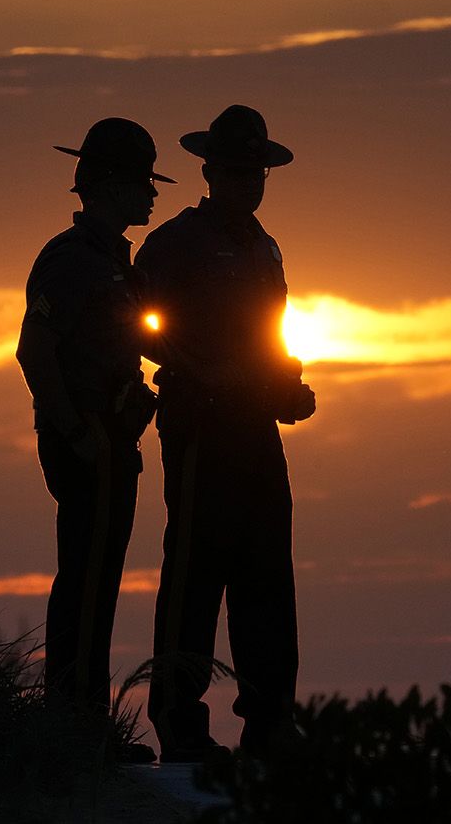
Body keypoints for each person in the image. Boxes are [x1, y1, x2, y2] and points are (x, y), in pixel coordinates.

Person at [135, 104, 315, 762]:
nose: (249, 181)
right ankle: (180, 721)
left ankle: (271, 721)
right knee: (193, 572)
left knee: (267, 573)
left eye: (257, 171)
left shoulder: (265, 248)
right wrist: (192, 367)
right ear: (211, 172)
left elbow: (273, 336)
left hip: (255, 428)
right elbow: (136, 319)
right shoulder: (175, 243)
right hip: (199, 426)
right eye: (238, 170)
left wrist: (288, 384)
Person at [16, 117, 171, 763]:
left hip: (109, 441)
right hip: (90, 445)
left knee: (98, 577)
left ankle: (81, 724)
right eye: (142, 182)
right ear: (109, 186)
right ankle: (75, 729)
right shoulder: (72, 261)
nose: (153, 195)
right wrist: (79, 431)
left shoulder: (111, 264)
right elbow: (34, 350)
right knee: (85, 579)